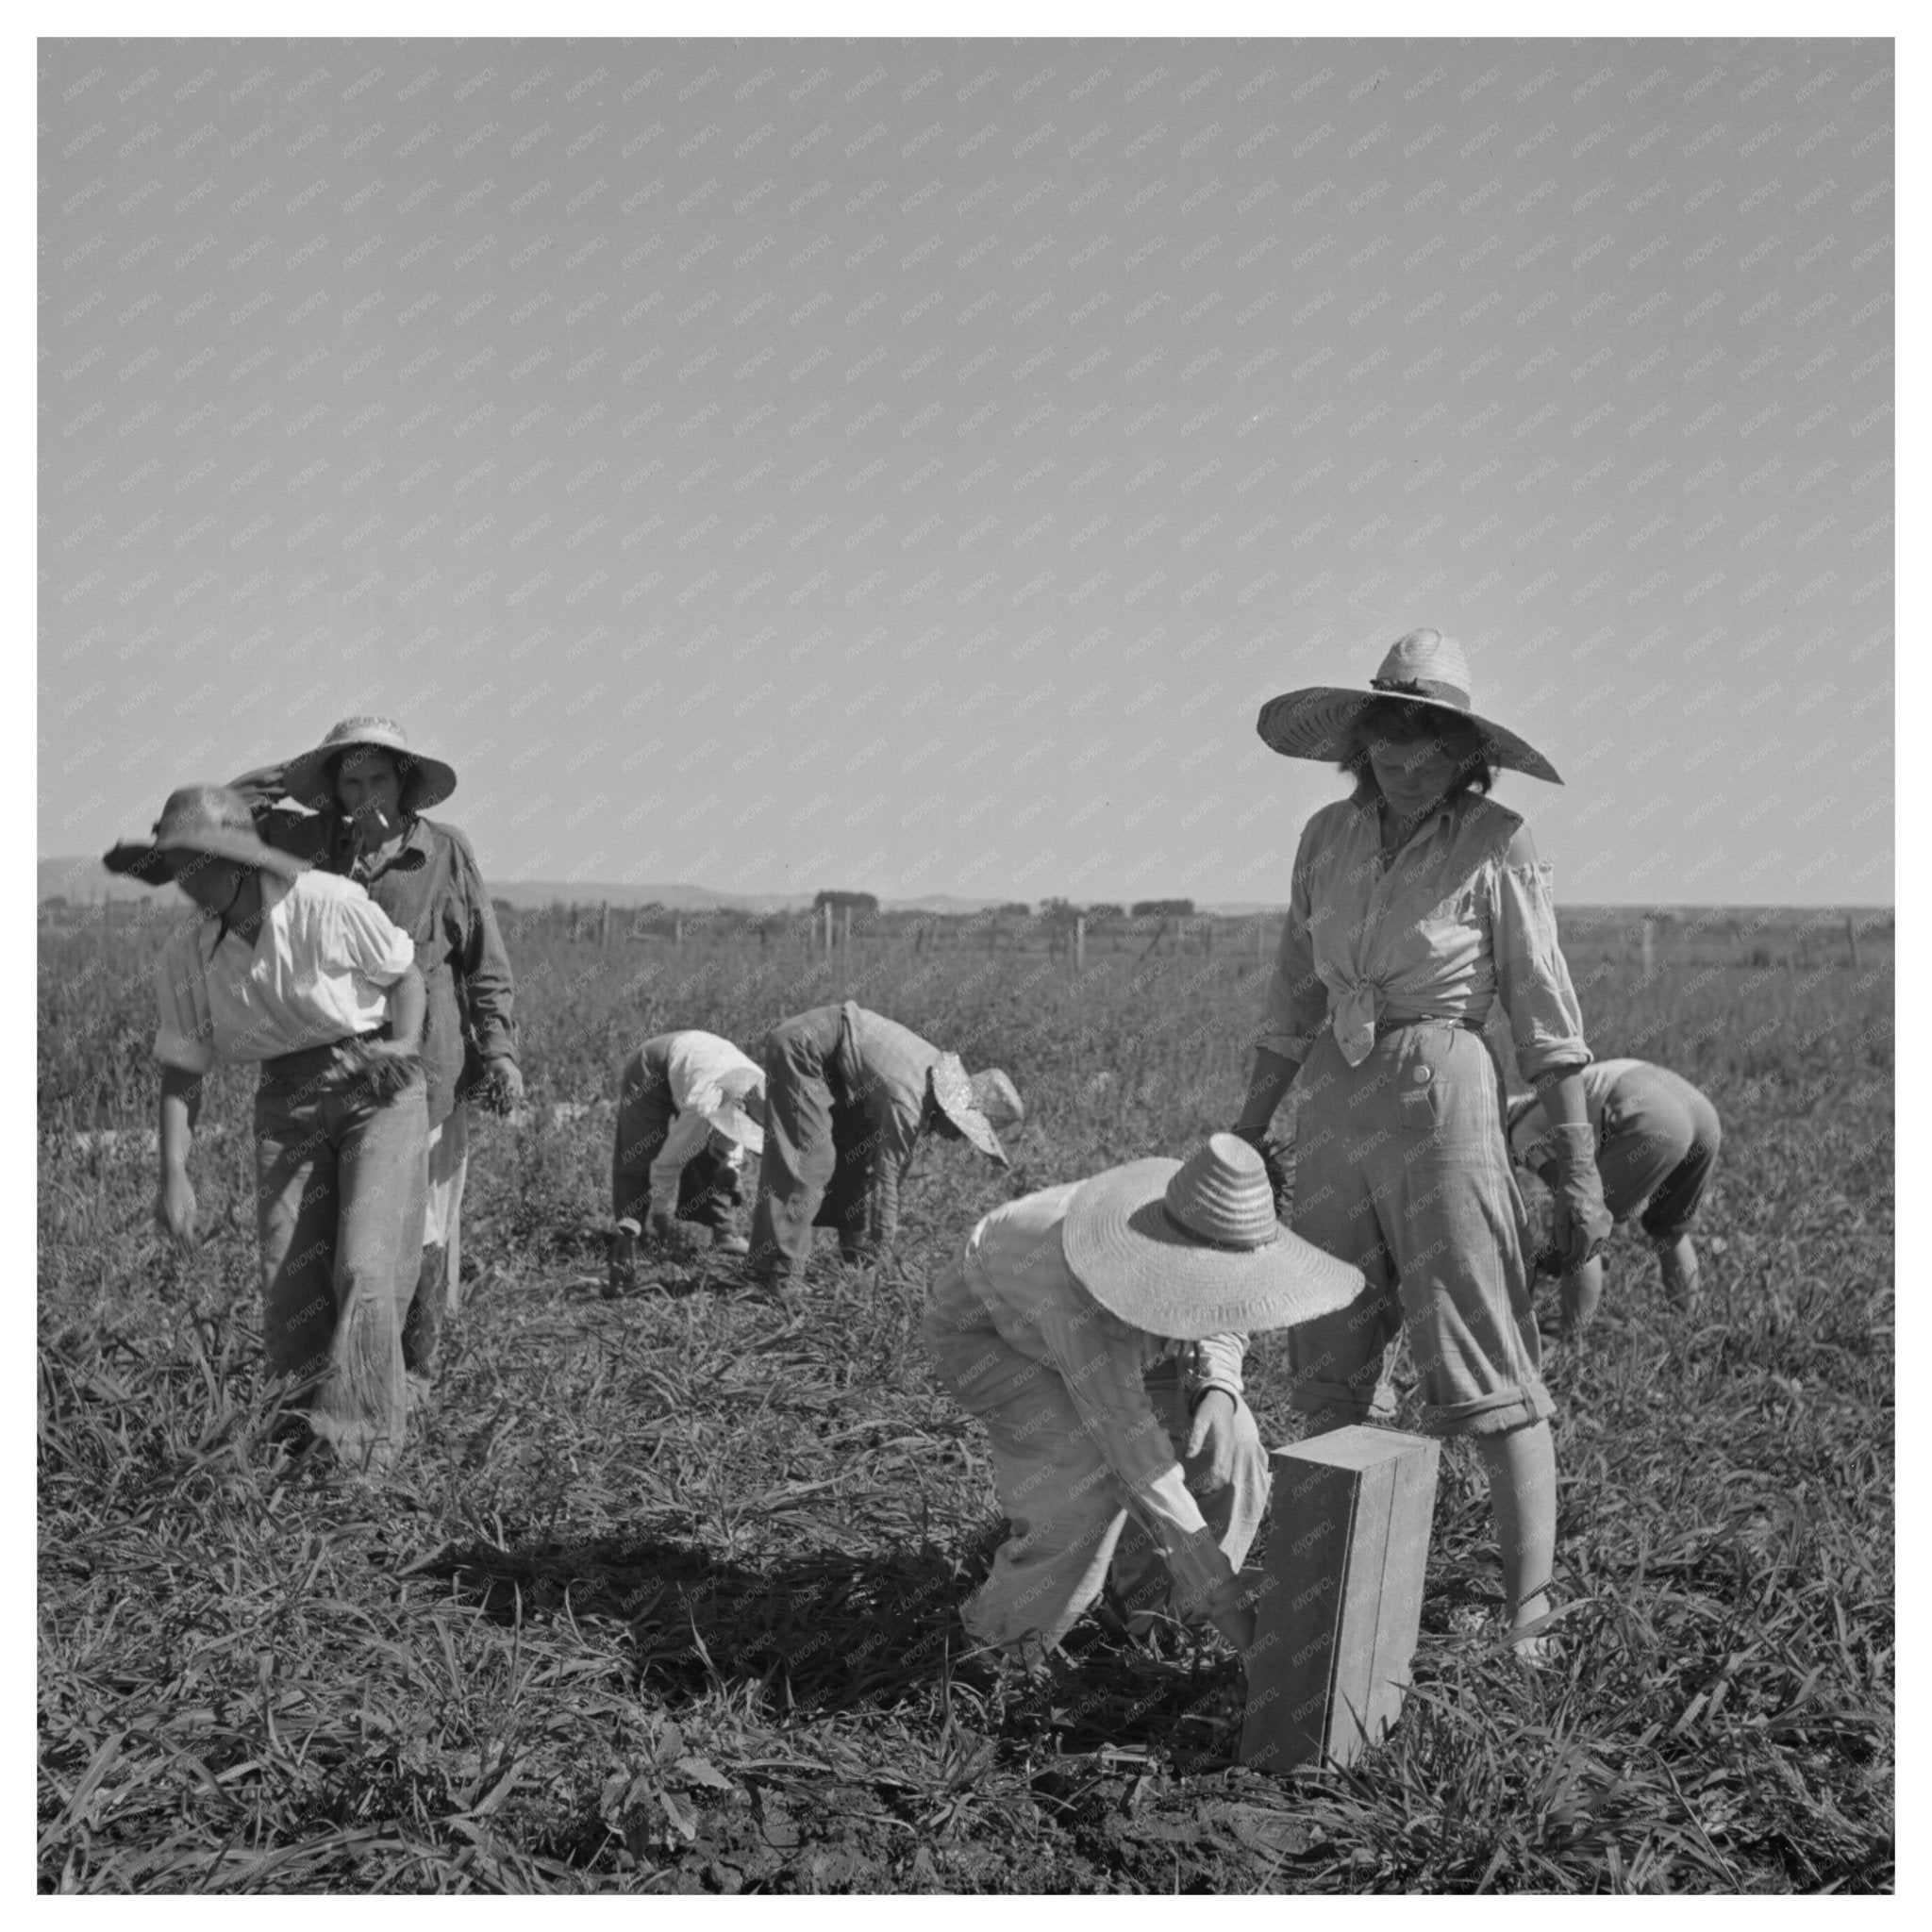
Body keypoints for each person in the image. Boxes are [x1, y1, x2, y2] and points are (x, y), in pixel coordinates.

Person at [1230, 626, 1613, 1656]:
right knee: (1326, 1347)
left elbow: (1544, 1017)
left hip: (1443, 1095)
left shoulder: (1497, 842)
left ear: (1462, 756)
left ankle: (1527, 1613)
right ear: (1362, 747)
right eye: (1387, 746)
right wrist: (1247, 1125)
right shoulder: (1325, 835)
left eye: (1427, 748)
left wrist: (1575, 1170)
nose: (1404, 766)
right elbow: (1292, 991)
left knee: (1480, 1355)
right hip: (1334, 1101)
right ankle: (1320, 1586)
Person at [922, 1133, 1366, 1662]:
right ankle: (995, 1655)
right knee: (1082, 1485)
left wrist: (1219, 1387)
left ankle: (1155, 1615)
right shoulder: (1077, 1278)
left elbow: (1224, 1300)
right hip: (993, 1335)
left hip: (1121, 1331)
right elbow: (1131, 1447)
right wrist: (1230, 1602)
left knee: (1236, 1446)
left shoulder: (1203, 1213)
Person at [104, 785, 428, 1472]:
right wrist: (174, 1175)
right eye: (177, 869)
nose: (187, 884)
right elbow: (183, 1072)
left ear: (240, 861)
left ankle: (362, 1458)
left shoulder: (327, 905)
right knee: (289, 1278)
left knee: (363, 1265)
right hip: (285, 1105)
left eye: (198, 865)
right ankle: (297, 1434)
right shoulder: (188, 955)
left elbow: (405, 979)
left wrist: (403, 1047)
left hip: (375, 1090)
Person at [230, 717, 522, 1382]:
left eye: (379, 779)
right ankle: (331, 1382)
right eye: (351, 781)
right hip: (324, 1076)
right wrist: (259, 786)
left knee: (413, 1233)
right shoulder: (309, 842)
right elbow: (213, 834)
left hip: (423, 1069)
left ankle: (409, 1377)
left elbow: (483, 959)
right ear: (333, 791)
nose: (367, 796)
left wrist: (499, 1050)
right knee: (330, 1238)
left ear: (405, 783)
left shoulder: (444, 852)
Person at [746, 1001, 1023, 1291]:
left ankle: (851, 1255)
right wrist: (883, 1255)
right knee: (812, 1161)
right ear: (952, 1110)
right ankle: (779, 1275)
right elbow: (887, 1182)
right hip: (802, 1046)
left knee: (856, 1152)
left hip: (836, 1063)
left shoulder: (929, 1080)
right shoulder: (909, 1100)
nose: (956, 1138)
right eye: (962, 1130)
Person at [1507, 1058, 1722, 1336]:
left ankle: (1571, 1335)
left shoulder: (1520, 1131)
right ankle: (1688, 1325)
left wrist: (1559, 1248)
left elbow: (1572, 1201)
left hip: (1651, 1114)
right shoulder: (1546, 1101)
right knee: (1670, 1227)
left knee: (1579, 1224)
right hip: (1700, 1110)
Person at [608, 1029, 767, 1295]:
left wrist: (729, 1173)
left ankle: (724, 1233)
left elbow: (730, 1146)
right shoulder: (706, 1106)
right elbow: (666, 1164)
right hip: (653, 1065)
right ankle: (628, 1245)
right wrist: (661, 1214)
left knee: (715, 1160)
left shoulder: (760, 1093)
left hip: (699, 1061)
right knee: (639, 1156)